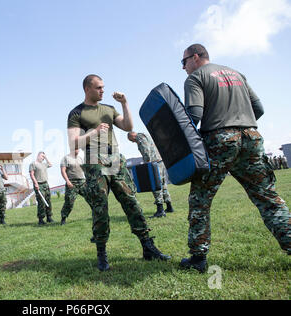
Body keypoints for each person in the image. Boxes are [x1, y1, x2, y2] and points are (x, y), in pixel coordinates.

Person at [180, 43, 291, 272]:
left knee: (200, 199)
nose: (184, 68)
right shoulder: (237, 74)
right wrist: (241, 121)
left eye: (184, 62)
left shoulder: (196, 78)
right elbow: (258, 108)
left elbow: (194, 114)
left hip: (220, 139)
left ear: (196, 56)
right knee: (268, 197)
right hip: (251, 136)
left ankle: (198, 259)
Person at [67, 74, 171, 271]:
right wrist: (94, 132)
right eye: (98, 87)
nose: (102, 91)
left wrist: (125, 103)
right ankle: (101, 254)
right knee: (100, 206)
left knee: (131, 201)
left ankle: (148, 247)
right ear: (87, 89)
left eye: (103, 87)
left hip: (115, 158)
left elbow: (128, 126)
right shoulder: (76, 113)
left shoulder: (109, 108)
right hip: (94, 161)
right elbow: (73, 143)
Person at [127, 132, 174, 218]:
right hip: (159, 161)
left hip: (153, 163)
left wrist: (146, 163)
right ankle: (169, 206)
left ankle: (160, 210)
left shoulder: (139, 137)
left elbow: (146, 150)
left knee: (155, 184)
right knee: (163, 184)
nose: (133, 142)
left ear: (132, 136)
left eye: (132, 140)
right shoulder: (146, 135)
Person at [59, 149, 91, 225]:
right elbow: (63, 171)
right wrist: (67, 181)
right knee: (69, 202)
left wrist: (87, 179)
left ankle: (97, 215)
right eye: (76, 149)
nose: (78, 150)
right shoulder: (66, 158)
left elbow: (84, 169)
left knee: (91, 197)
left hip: (82, 182)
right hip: (72, 183)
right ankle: (63, 218)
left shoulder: (80, 158)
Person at [29, 152, 54, 225]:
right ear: (38, 156)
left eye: (44, 156)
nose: (43, 158)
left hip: (46, 184)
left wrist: (46, 158)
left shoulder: (44, 164)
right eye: (42, 156)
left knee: (48, 201)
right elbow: (32, 174)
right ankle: (41, 219)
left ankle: (49, 217)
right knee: (41, 202)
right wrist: (35, 183)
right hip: (39, 184)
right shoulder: (33, 164)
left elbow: (50, 164)